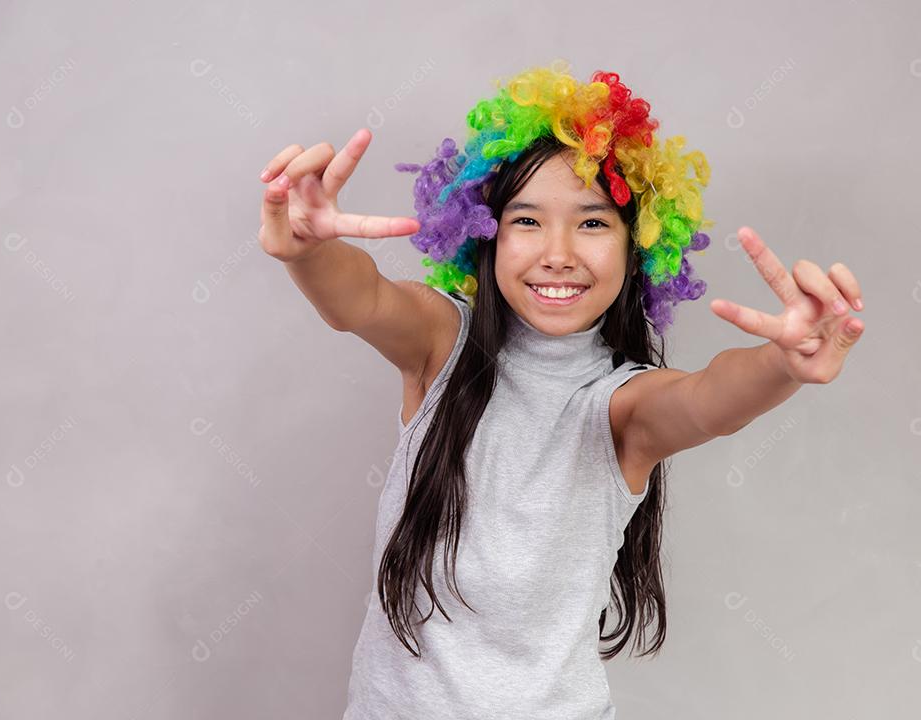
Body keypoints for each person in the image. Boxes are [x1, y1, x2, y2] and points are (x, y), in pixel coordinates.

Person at [256, 61, 865, 720]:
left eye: (594, 223)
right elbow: (363, 300)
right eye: (526, 221)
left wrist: (783, 362)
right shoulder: (441, 342)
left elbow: (706, 400)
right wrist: (308, 250)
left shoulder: (620, 406)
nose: (559, 252)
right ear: (483, 238)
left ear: (640, 247)